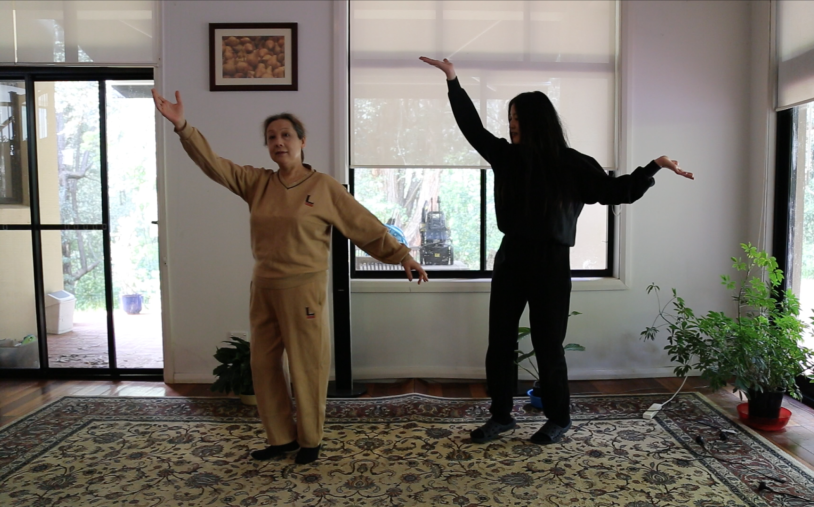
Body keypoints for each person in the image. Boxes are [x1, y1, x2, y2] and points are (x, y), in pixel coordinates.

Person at [419, 56, 693, 445]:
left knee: (549, 344)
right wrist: (453, 80)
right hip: (511, 256)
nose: (511, 124)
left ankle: (559, 417)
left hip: (551, 262)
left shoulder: (573, 164)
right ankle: (501, 416)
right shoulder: (506, 157)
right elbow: (471, 127)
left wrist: (653, 167)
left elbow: (615, 192)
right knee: (500, 340)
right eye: (509, 117)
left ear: (536, 120)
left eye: (517, 117)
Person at [152, 89, 428, 464]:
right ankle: (280, 437)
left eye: (285, 135)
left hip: (304, 288)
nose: (278, 142)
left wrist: (403, 256)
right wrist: (183, 126)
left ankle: (311, 439)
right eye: (271, 137)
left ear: (302, 141)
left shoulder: (324, 187)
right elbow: (213, 164)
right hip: (263, 286)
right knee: (263, 366)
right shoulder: (257, 183)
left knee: (307, 365)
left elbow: (363, 225)